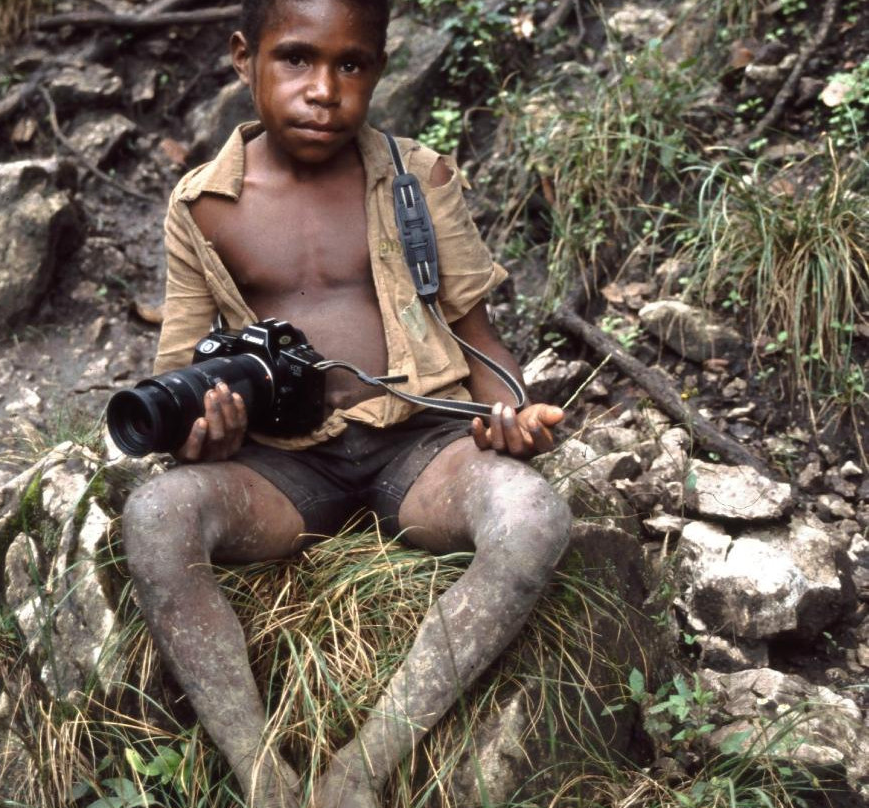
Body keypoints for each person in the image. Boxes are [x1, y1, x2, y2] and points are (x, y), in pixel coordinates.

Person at [121, 0, 573, 806]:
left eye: (351, 65)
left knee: (533, 517)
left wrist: (512, 415)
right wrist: (204, 435)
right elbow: (178, 371)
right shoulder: (202, 205)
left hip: (423, 448)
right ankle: (262, 778)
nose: (324, 90)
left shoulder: (420, 179)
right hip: (281, 471)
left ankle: (361, 774)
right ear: (242, 57)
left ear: (379, 67)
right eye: (295, 59)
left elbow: (479, 335)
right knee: (156, 518)